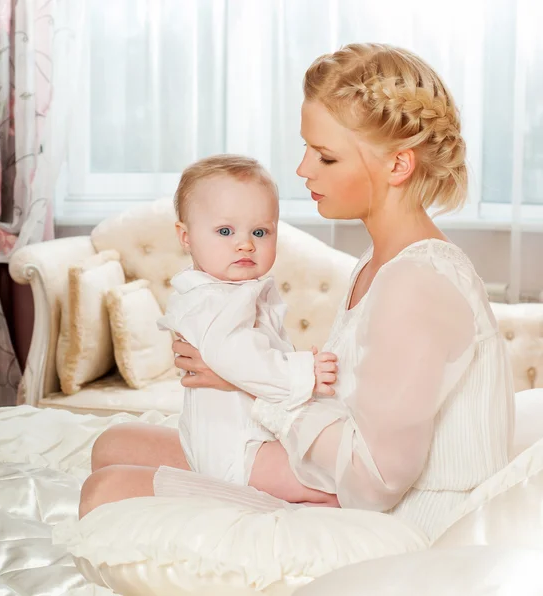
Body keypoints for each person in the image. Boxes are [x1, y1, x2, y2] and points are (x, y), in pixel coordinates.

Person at [79, 42, 514, 540]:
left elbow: (375, 484)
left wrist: (247, 382)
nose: (303, 169)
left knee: (106, 494)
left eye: (325, 156)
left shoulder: (416, 283)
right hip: (345, 488)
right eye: (306, 148)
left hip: (400, 529)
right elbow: (350, 406)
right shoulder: (376, 265)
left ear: (398, 166)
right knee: (112, 446)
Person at [156, 154, 338, 489]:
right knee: (329, 488)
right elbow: (236, 356)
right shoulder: (209, 300)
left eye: (260, 231)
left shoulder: (233, 292)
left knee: (329, 475)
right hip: (239, 451)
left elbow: (258, 352)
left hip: (252, 438)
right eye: (225, 231)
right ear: (186, 237)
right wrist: (302, 371)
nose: (245, 244)